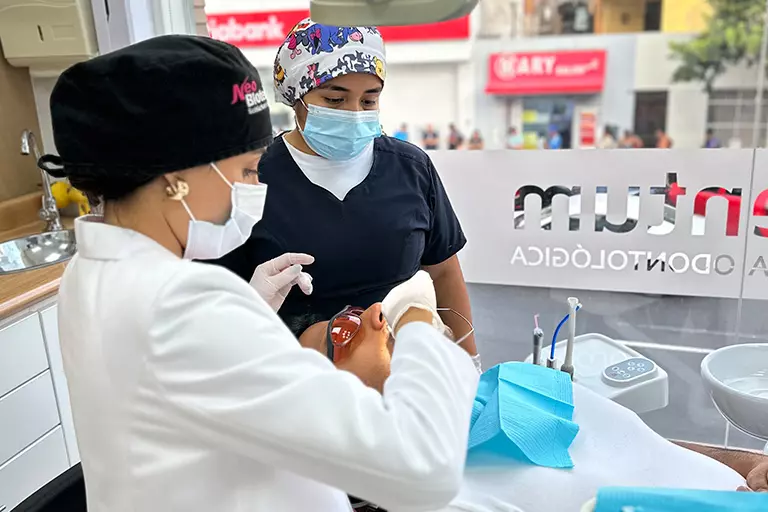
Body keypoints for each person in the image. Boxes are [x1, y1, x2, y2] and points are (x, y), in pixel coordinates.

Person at [43, 35, 479, 512]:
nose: (256, 188)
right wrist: (414, 315)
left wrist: (250, 314)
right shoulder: (184, 306)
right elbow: (423, 470)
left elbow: (192, 398)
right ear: (175, 177)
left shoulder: (91, 272)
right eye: (249, 170)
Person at [298, 311, 768, 511]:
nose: (376, 314)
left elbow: (650, 447)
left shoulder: (505, 379)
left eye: (354, 310)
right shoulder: (432, 490)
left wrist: (749, 465)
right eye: (343, 333)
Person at [213, 19, 480, 364]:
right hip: (296, 377)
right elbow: (225, 298)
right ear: (296, 97)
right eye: (335, 100)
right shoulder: (252, 176)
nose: (354, 115)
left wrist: (468, 360)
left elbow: (444, 272)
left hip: (406, 370)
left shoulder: (410, 168)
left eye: (369, 101)